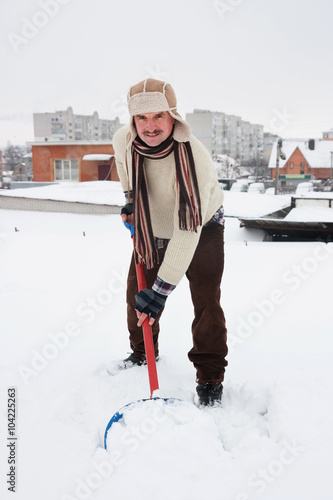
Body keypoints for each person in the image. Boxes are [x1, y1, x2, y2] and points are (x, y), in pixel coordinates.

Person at [112, 78, 228, 406]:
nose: (149, 126)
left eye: (158, 116)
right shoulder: (124, 139)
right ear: (132, 121)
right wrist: (130, 201)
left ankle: (210, 377)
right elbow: (125, 169)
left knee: (206, 301)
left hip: (201, 226)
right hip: (152, 221)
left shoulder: (194, 159)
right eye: (141, 118)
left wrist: (162, 291)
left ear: (173, 117)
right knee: (137, 292)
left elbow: (187, 230)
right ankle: (142, 354)